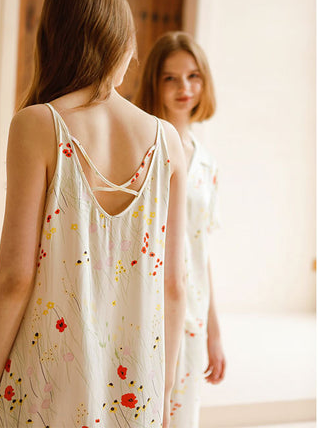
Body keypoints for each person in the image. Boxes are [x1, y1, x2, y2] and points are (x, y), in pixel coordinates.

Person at [0, 0, 187, 428]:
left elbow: (14, 277)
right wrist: (165, 391)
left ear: (53, 41)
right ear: (122, 43)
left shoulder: (38, 125)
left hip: (45, 385)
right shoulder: (168, 141)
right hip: (136, 391)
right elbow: (174, 285)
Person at [134, 31, 226, 427]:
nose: (183, 88)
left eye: (192, 76)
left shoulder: (206, 163)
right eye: (170, 78)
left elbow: (201, 251)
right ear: (154, 83)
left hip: (192, 316)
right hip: (145, 307)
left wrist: (214, 332)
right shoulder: (142, 149)